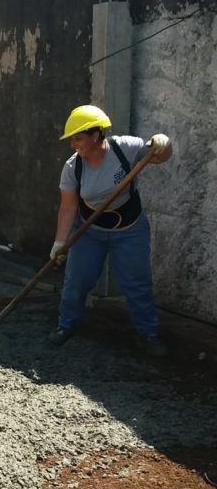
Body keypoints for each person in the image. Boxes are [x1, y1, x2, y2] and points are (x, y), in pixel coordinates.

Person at [48, 104, 173, 356]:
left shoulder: (124, 148)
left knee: (136, 282)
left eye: (78, 138)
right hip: (89, 230)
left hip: (130, 228)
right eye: (72, 139)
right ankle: (66, 325)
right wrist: (60, 242)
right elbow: (68, 207)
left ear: (95, 136)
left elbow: (159, 155)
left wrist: (163, 142)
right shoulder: (74, 167)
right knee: (77, 280)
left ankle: (147, 333)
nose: (73, 144)